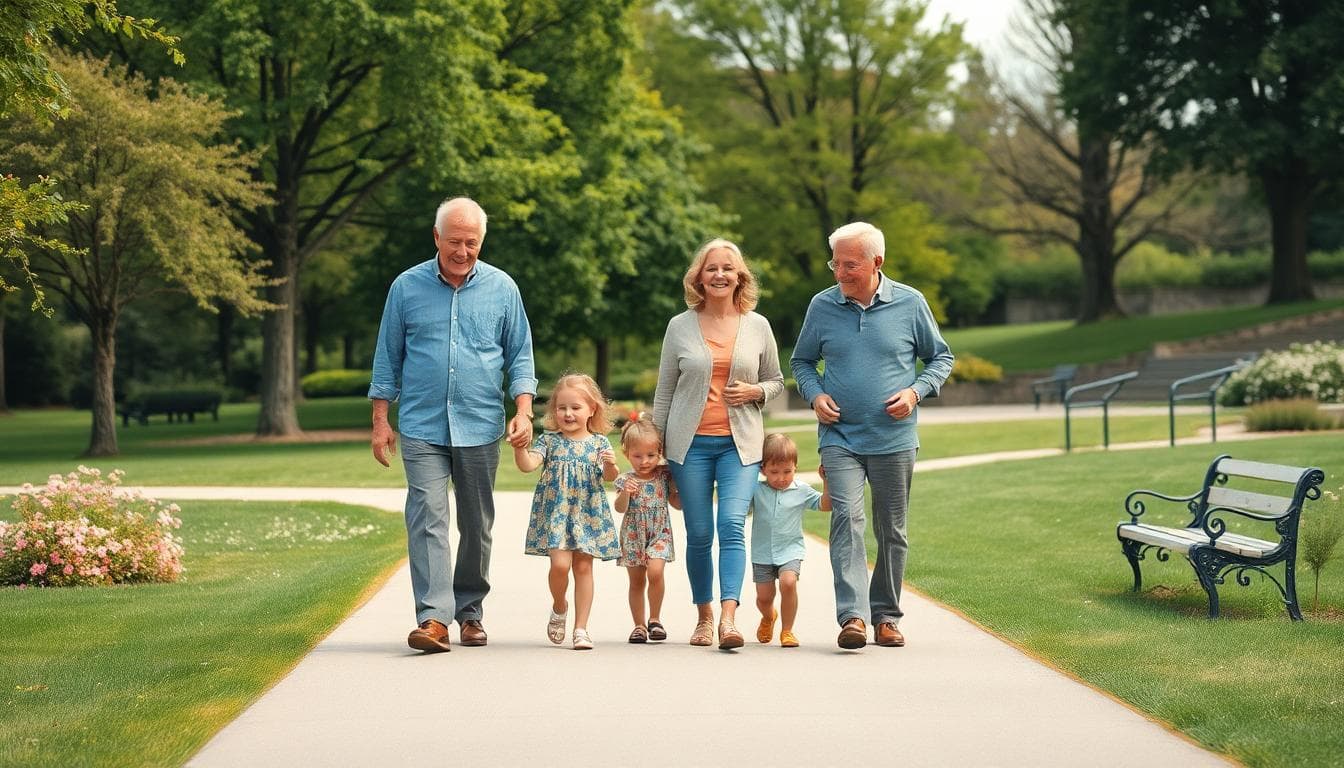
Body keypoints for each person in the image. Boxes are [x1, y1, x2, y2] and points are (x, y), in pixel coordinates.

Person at [369, 196, 537, 654]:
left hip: (481, 423)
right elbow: (387, 358)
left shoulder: (503, 289)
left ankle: (470, 612)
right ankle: (433, 618)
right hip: (422, 423)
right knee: (427, 515)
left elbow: (520, 356)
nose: (463, 251)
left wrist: (522, 410)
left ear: (481, 241)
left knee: (477, 523)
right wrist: (381, 420)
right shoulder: (405, 287)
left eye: (472, 242)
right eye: (454, 242)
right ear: (436, 237)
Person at [790, 221, 953, 650]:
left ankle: (886, 616)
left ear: (876, 262)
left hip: (894, 438)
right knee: (846, 518)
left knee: (891, 529)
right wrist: (815, 394)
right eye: (835, 263)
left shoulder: (911, 304)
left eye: (850, 264)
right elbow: (802, 361)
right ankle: (854, 617)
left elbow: (941, 357)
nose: (840, 272)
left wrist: (916, 391)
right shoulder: (822, 307)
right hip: (839, 435)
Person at [653, 238, 785, 650]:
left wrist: (755, 392)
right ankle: (704, 616)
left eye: (728, 268)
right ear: (699, 276)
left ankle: (730, 618)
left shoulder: (758, 325)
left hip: (739, 446)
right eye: (712, 268)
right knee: (699, 532)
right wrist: (658, 450)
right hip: (688, 446)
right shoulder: (679, 326)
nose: (720, 275)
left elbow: (777, 382)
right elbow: (664, 392)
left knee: (731, 525)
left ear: (740, 276)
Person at [514, 373, 621, 651]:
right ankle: (559, 606)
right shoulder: (549, 441)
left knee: (584, 567)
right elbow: (527, 465)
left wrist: (610, 466)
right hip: (557, 514)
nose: (568, 413)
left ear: (591, 409)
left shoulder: (599, 443)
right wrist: (519, 449)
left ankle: (581, 628)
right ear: (554, 411)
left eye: (576, 407)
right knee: (560, 566)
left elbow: (609, 477)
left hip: (587, 513)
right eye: (562, 408)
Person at [750, 433, 830, 648]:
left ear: (795, 467)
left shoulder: (801, 490)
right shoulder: (756, 490)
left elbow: (824, 505)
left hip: (790, 551)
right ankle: (769, 617)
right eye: (774, 472)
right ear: (762, 469)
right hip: (762, 553)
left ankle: (787, 631)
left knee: (788, 583)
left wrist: (827, 482)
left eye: (788, 471)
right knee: (764, 598)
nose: (781, 477)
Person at [613, 413, 681, 644]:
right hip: (633, 535)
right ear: (627, 454)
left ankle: (655, 619)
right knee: (636, 582)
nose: (645, 461)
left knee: (655, 571)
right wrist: (626, 493)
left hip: (659, 533)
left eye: (651, 455)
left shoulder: (664, 474)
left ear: (659, 452)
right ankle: (639, 626)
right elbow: (620, 509)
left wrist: (685, 495)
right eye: (638, 456)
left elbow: (675, 502)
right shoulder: (625, 479)